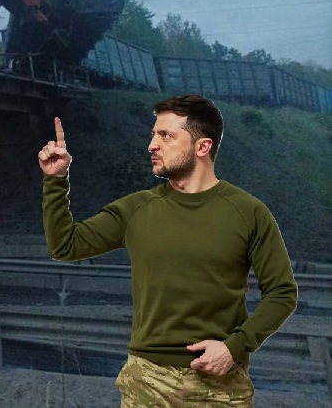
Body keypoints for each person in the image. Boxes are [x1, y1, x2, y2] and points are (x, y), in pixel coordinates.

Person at [37, 94, 297, 407]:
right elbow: (65, 245)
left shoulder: (248, 212)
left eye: (166, 135)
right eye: (153, 135)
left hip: (221, 386)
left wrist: (235, 347)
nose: (152, 145)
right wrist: (55, 180)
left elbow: (282, 292)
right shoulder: (137, 209)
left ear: (202, 147)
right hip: (145, 383)